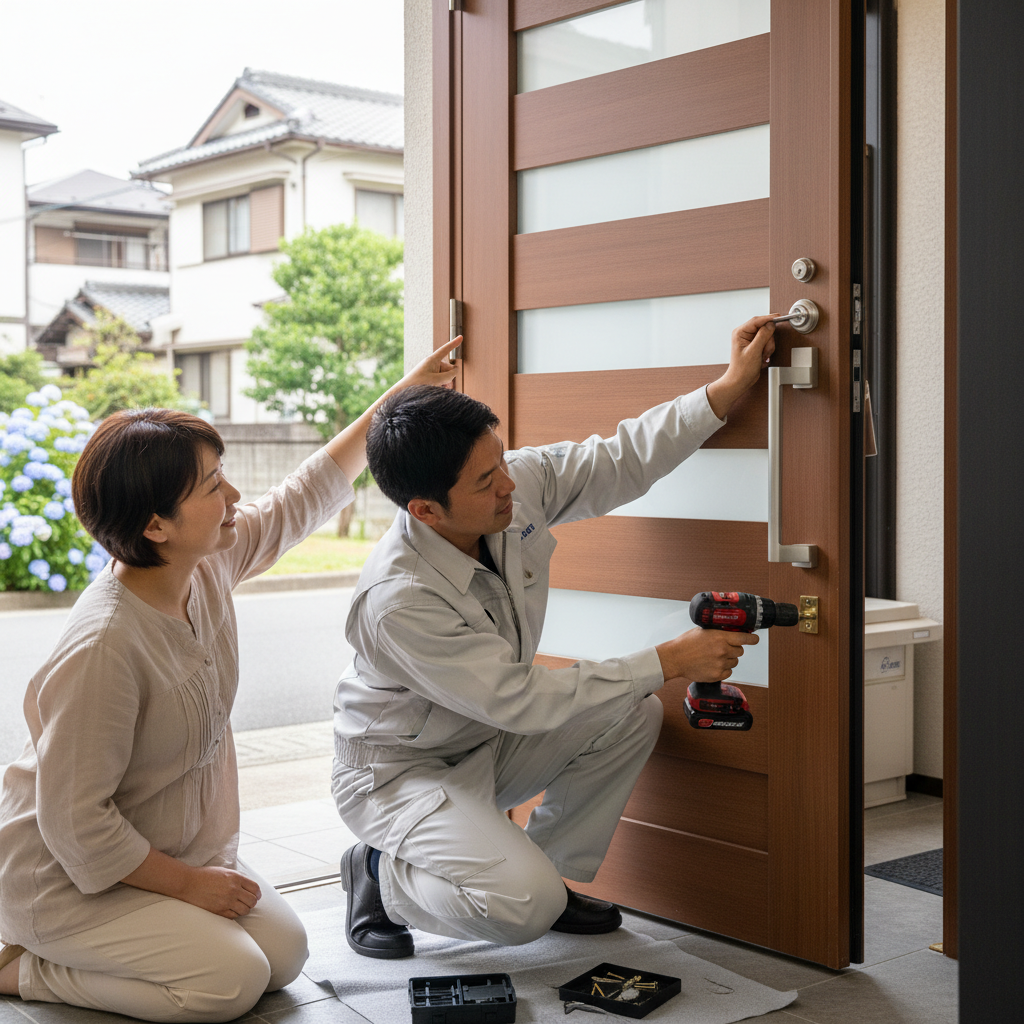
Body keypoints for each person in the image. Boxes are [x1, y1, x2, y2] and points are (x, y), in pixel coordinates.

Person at [0, 340, 459, 1022]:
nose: (234, 496)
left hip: (168, 849)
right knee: (230, 982)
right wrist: (190, 887)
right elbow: (76, 823)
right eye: (213, 486)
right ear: (156, 525)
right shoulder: (103, 647)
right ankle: (23, 968)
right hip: (65, 877)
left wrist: (397, 399)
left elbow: (302, 497)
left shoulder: (203, 564)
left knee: (284, 955)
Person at [330, 315, 778, 959]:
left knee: (628, 711)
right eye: (485, 481)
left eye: (500, 459)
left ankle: (546, 877)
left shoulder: (510, 488)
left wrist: (727, 390)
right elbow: (520, 699)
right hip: (400, 773)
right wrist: (668, 659)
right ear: (424, 511)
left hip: (482, 740)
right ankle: (379, 872)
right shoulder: (398, 600)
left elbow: (619, 459)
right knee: (521, 906)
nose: (509, 484)